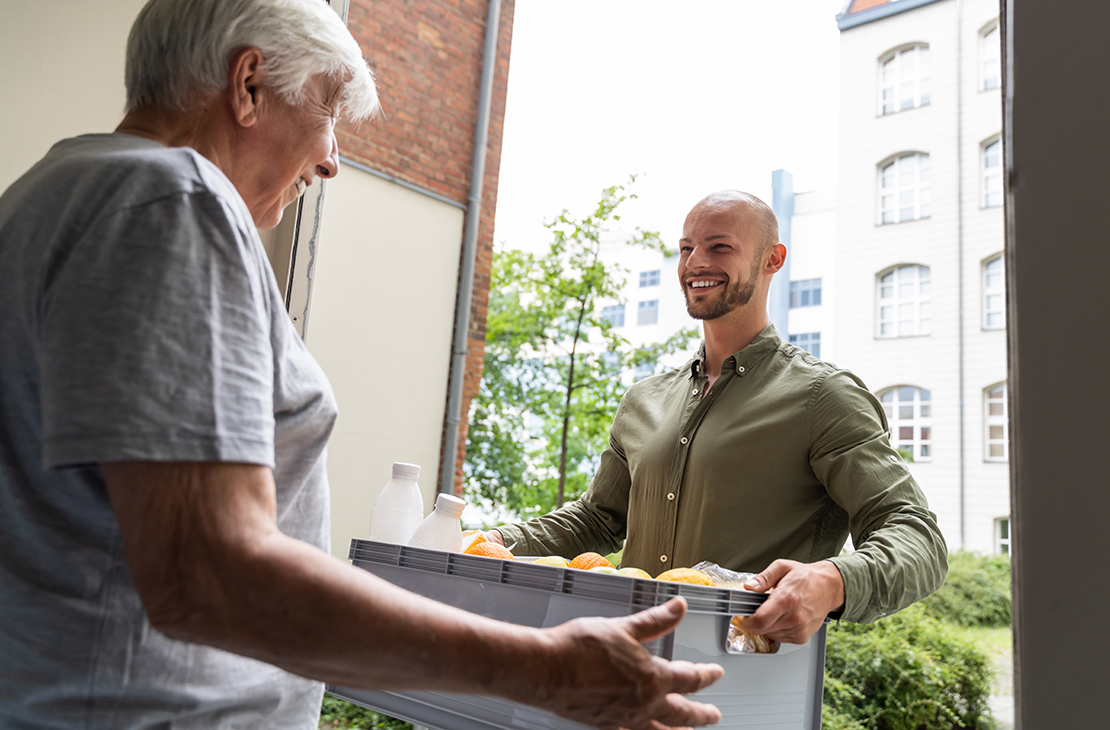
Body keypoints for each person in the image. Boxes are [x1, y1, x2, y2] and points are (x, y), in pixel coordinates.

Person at [0, 1, 725, 728]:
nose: (331, 160)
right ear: (248, 86)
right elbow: (212, 571)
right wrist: (544, 668)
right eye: (327, 112)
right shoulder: (174, 205)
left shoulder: (43, 199)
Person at [491, 190, 948, 645]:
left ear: (772, 259)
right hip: (619, 662)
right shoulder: (643, 400)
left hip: (742, 677)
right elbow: (597, 519)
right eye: (686, 248)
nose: (695, 263)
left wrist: (833, 580)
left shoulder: (823, 397)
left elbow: (917, 537)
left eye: (719, 246)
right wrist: (491, 541)